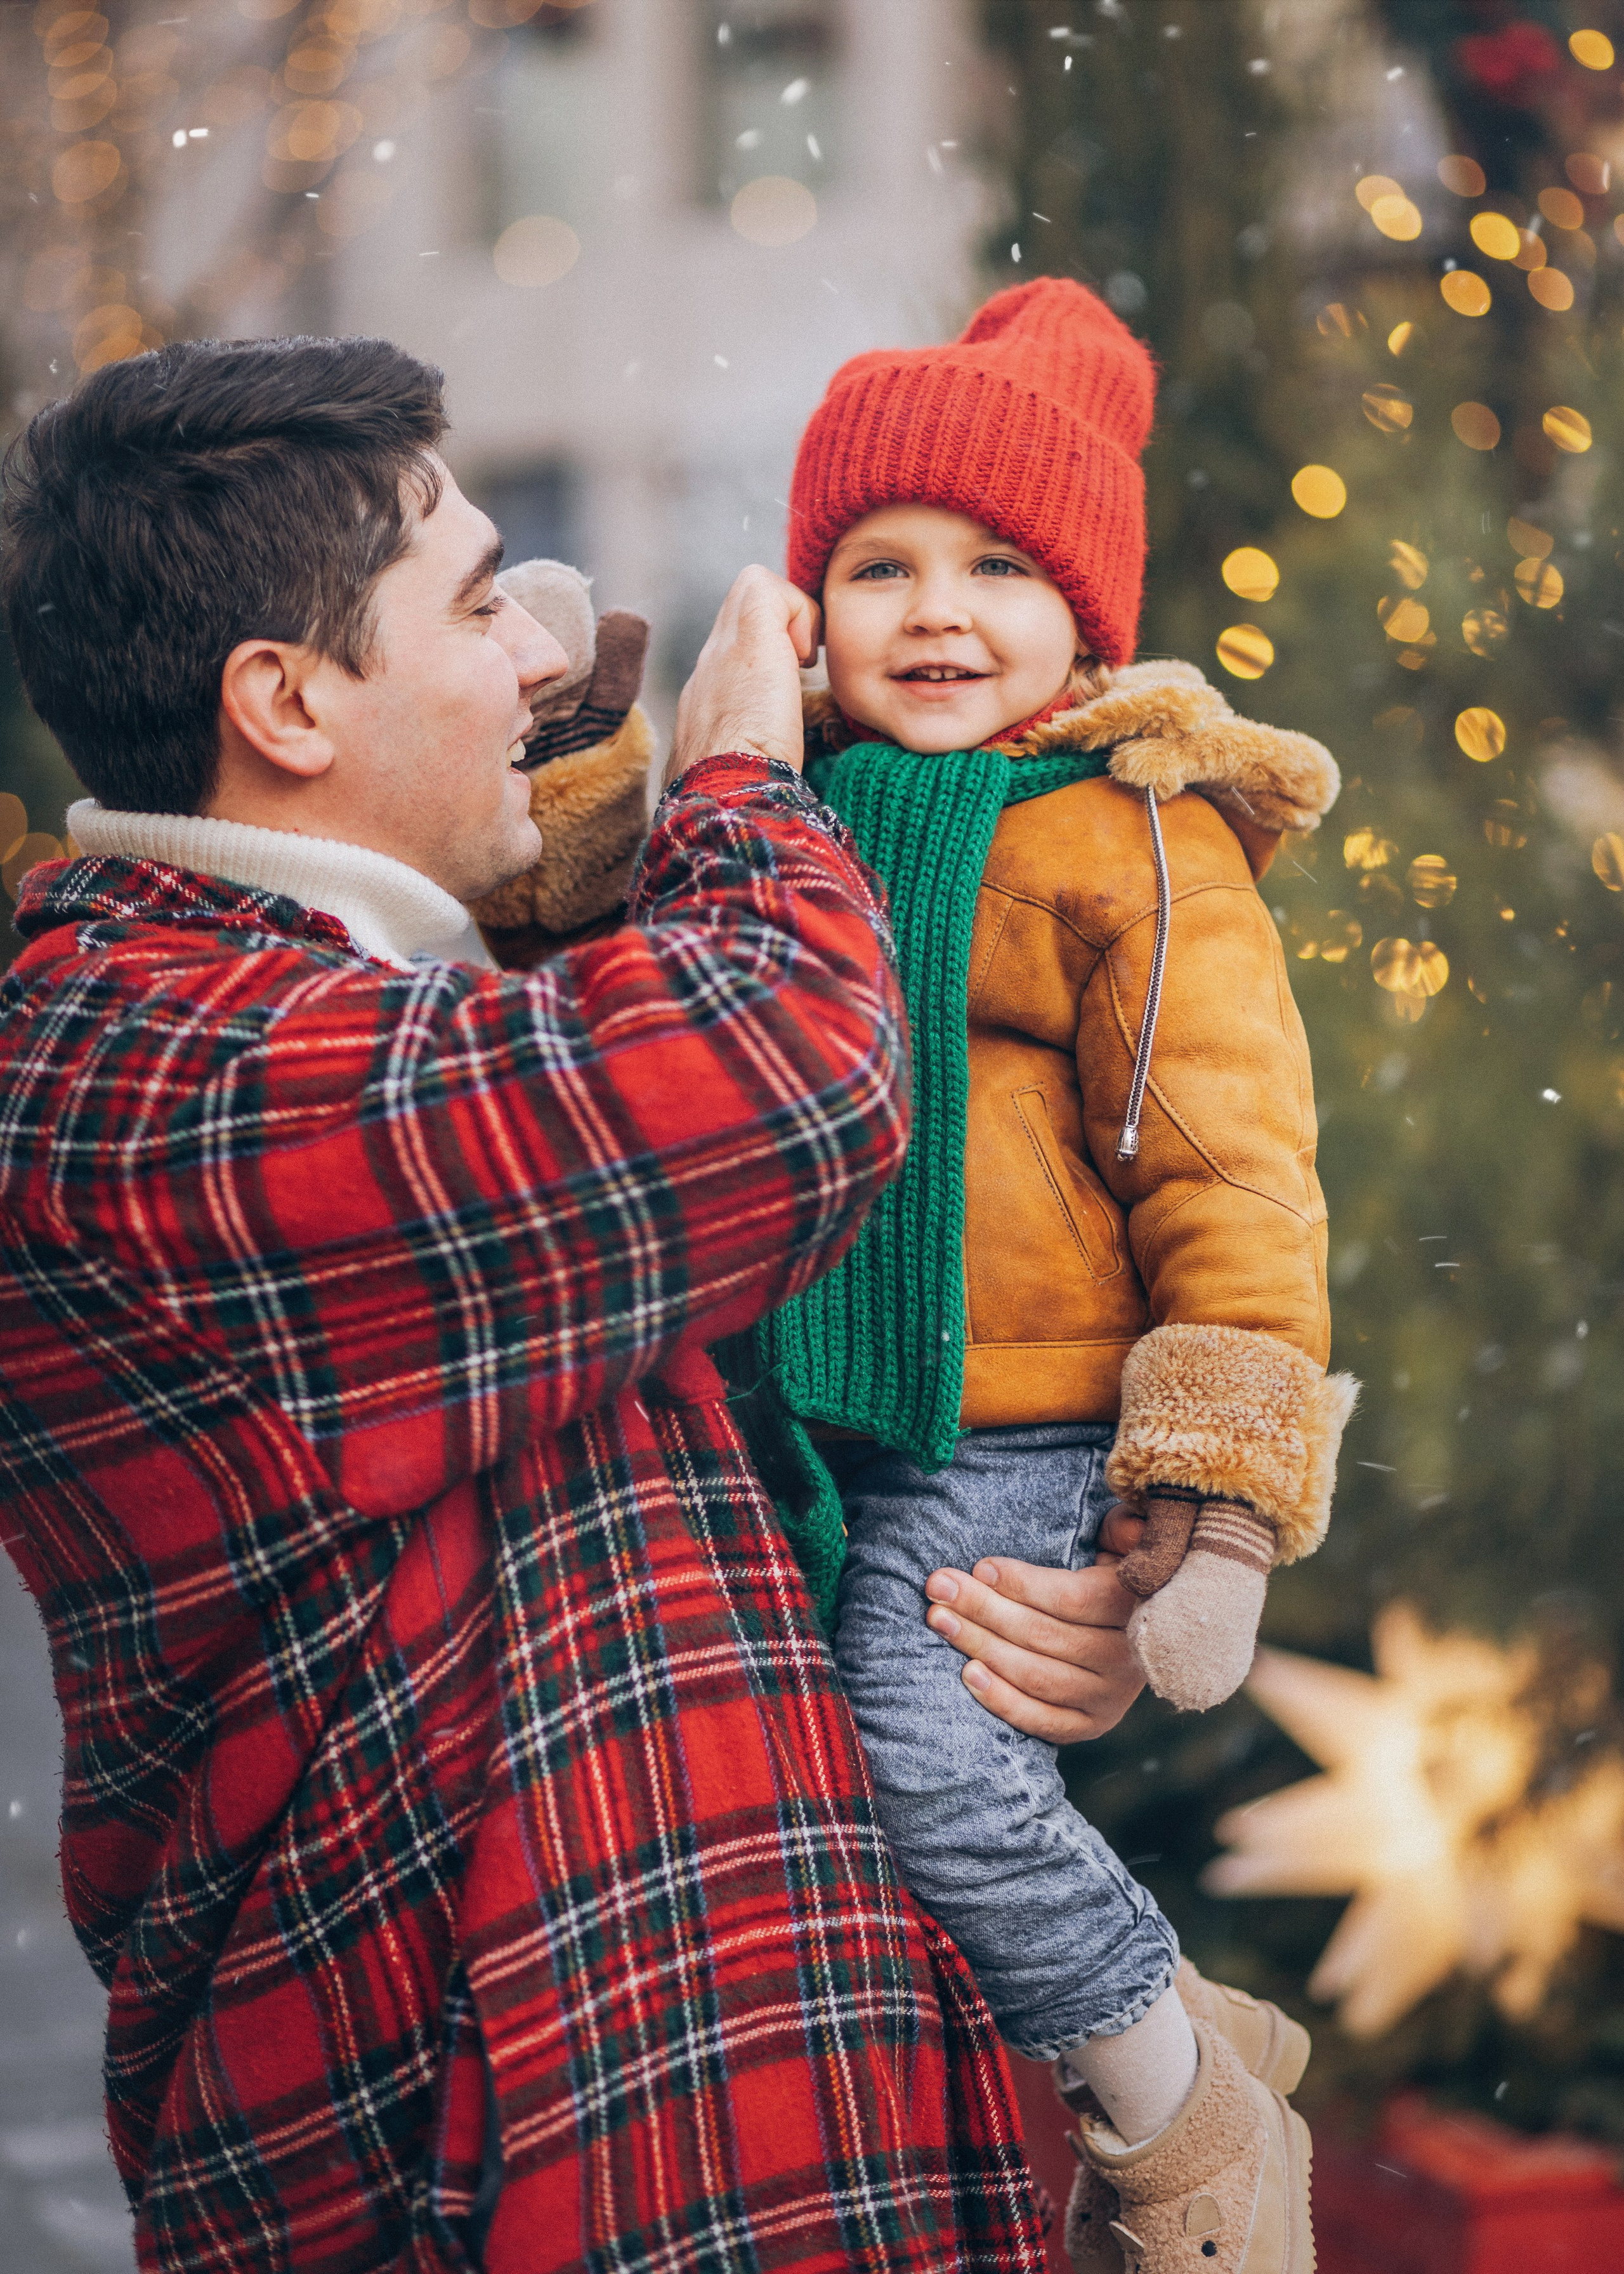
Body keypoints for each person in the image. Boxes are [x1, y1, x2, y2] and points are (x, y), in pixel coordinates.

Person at [0, 334, 1146, 2274]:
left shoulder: (387, 1012)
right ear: (284, 702)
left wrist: (1009, 1611)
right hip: (515, 2182)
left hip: (687, 2136)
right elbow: (788, 1075)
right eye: (477, 605)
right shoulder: (148, 1077)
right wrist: (741, 777)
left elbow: (723, 1394)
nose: (543, 655)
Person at [730, 280, 1358, 2274]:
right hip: (823, 1415)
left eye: (999, 567)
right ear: (808, 605)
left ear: (1087, 618)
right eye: (881, 566)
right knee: (826, 1799)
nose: (938, 612)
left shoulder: (1130, 841)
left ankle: (1189, 2139)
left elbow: (1230, 1175)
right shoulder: (773, 815)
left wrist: (1220, 1508)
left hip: (1026, 1427)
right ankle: (1185, 2028)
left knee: (928, 1765)